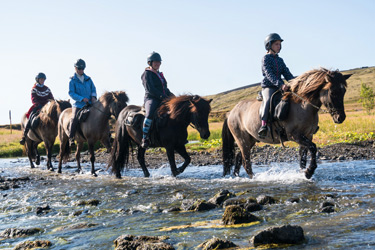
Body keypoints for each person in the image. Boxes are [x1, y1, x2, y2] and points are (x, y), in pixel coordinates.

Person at [258, 33, 294, 138]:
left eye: (279, 44)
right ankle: (263, 126)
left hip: (280, 86)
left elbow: (287, 73)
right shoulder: (265, 59)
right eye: (276, 44)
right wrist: (280, 84)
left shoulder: (280, 60)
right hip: (269, 86)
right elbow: (269, 75)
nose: (279, 46)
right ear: (269, 45)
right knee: (268, 100)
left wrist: (295, 82)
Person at [141, 51, 174, 148]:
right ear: (150, 63)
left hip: (163, 98)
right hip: (151, 98)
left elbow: (165, 88)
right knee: (150, 114)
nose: (157, 64)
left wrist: (173, 97)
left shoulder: (160, 75)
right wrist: (162, 97)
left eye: (159, 62)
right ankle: (145, 138)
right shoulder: (146, 74)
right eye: (155, 62)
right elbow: (150, 89)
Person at [68, 58, 97, 146]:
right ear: (75, 68)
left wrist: (93, 96)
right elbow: (71, 93)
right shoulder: (72, 81)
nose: (81, 70)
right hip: (78, 104)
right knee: (74, 118)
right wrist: (81, 98)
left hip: (90, 104)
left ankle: (107, 134)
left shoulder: (88, 79)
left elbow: (93, 89)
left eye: (82, 69)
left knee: (101, 114)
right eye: (79, 68)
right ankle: (71, 138)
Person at [20, 73, 54, 145]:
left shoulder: (47, 89)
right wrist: (38, 105)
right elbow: (33, 99)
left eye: (43, 79)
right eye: (41, 79)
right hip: (37, 106)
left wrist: (51, 104)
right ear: (37, 80)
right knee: (31, 116)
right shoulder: (34, 88)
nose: (42, 80)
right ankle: (24, 135)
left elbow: (51, 98)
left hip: (46, 107)